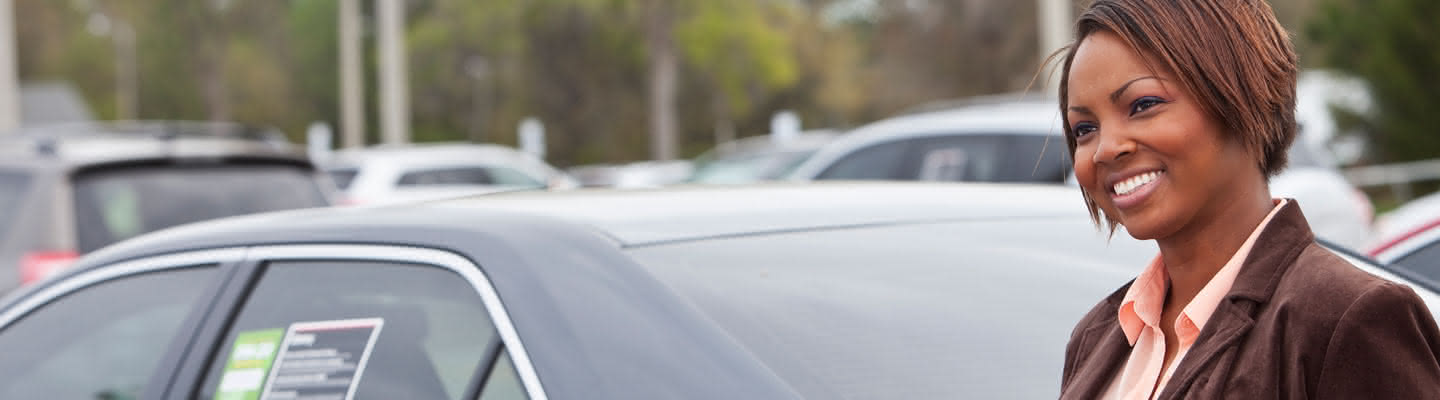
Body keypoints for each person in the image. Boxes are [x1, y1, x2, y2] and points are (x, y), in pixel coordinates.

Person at [1054, 0, 1440, 399]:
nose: (1105, 149)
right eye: (1084, 129)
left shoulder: (1348, 318)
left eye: (1144, 105)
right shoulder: (1096, 337)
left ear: (1243, 95)